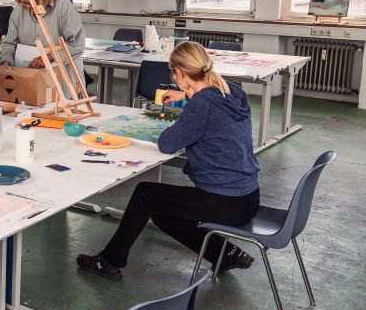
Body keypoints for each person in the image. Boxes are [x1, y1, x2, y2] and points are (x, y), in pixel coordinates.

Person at [76, 41, 260, 280]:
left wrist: (185, 111)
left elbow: (167, 144)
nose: (173, 79)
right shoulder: (232, 90)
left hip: (223, 200)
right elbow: (210, 106)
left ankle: (110, 260)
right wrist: (185, 96)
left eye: (174, 74)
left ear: (181, 74)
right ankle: (225, 254)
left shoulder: (201, 106)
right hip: (247, 195)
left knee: (145, 194)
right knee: (162, 214)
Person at [0, 0, 86, 83]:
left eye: (32, 2)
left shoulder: (64, 6)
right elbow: (9, 43)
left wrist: (49, 57)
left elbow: (77, 45)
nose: (28, 6)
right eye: (24, 3)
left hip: (64, 80)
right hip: (31, 80)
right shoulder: (18, 11)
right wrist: (6, 61)